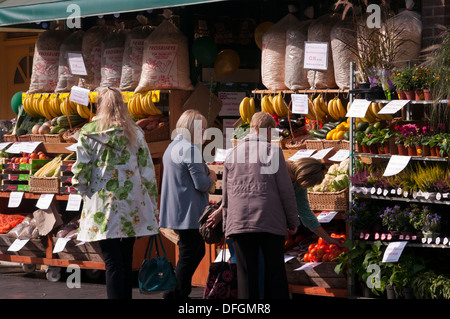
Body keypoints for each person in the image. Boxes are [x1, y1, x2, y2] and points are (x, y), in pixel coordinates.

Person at [72, 86, 159, 299]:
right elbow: (147, 171)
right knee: (126, 259)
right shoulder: (135, 132)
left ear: (100, 106)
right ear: (123, 106)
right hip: (132, 204)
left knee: (111, 261)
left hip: (102, 205)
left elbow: (81, 171)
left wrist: (83, 191)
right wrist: (153, 203)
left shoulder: (89, 132)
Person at [221, 112, 299, 299]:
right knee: (275, 272)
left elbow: (226, 195)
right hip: (269, 219)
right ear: (268, 130)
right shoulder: (272, 152)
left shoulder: (232, 154)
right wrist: (293, 220)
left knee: (246, 275)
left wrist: (226, 225)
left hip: (239, 221)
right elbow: (285, 190)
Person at [159, 109, 217, 299]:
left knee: (194, 250)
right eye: (203, 129)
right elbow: (201, 184)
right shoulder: (190, 149)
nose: (205, 133)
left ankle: (178, 290)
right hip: (190, 212)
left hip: (177, 209)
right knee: (189, 252)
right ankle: (177, 293)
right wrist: (212, 177)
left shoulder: (172, 147)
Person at [286, 157, 344, 247]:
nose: (309, 187)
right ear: (305, 178)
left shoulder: (299, 186)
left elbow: (306, 214)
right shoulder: (275, 171)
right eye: (311, 184)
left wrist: (328, 239)